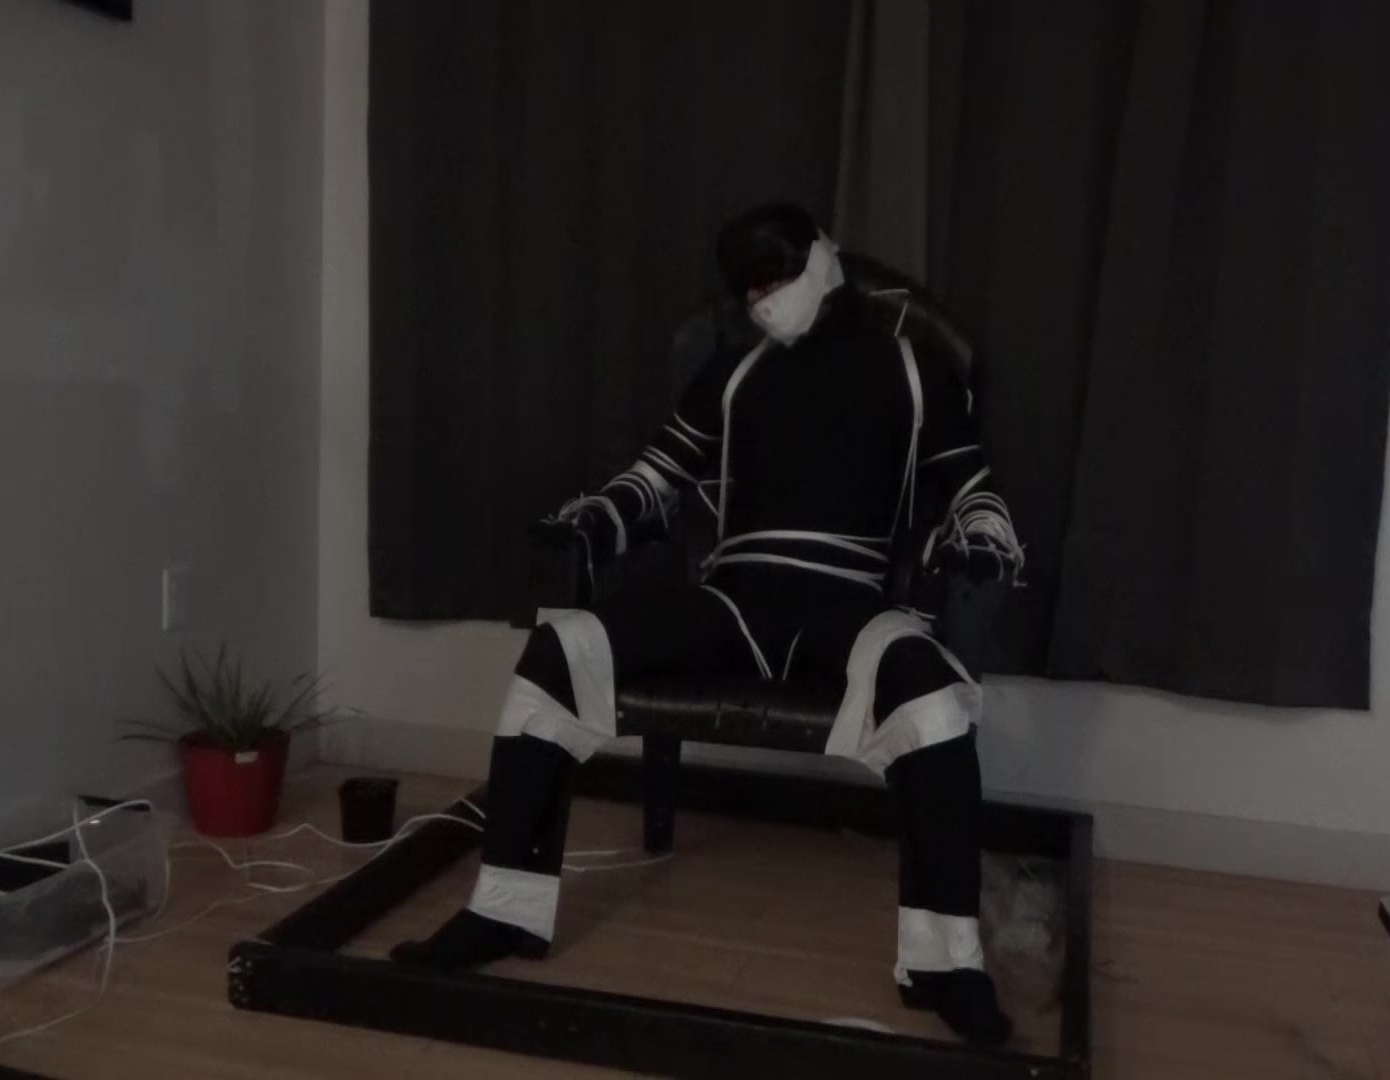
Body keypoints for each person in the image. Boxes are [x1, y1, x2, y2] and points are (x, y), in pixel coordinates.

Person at [392, 203, 1026, 1046]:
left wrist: (983, 541)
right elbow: (656, 478)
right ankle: (502, 911)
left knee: (936, 704)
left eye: (777, 275)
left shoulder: (913, 367)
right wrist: (593, 521)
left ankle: (950, 964)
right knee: (558, 653)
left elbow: (971, 487)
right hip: (733, 598)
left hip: (846, 604)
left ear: (821, 257)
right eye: (750, 287)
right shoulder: (733, 372)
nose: (765, 297)